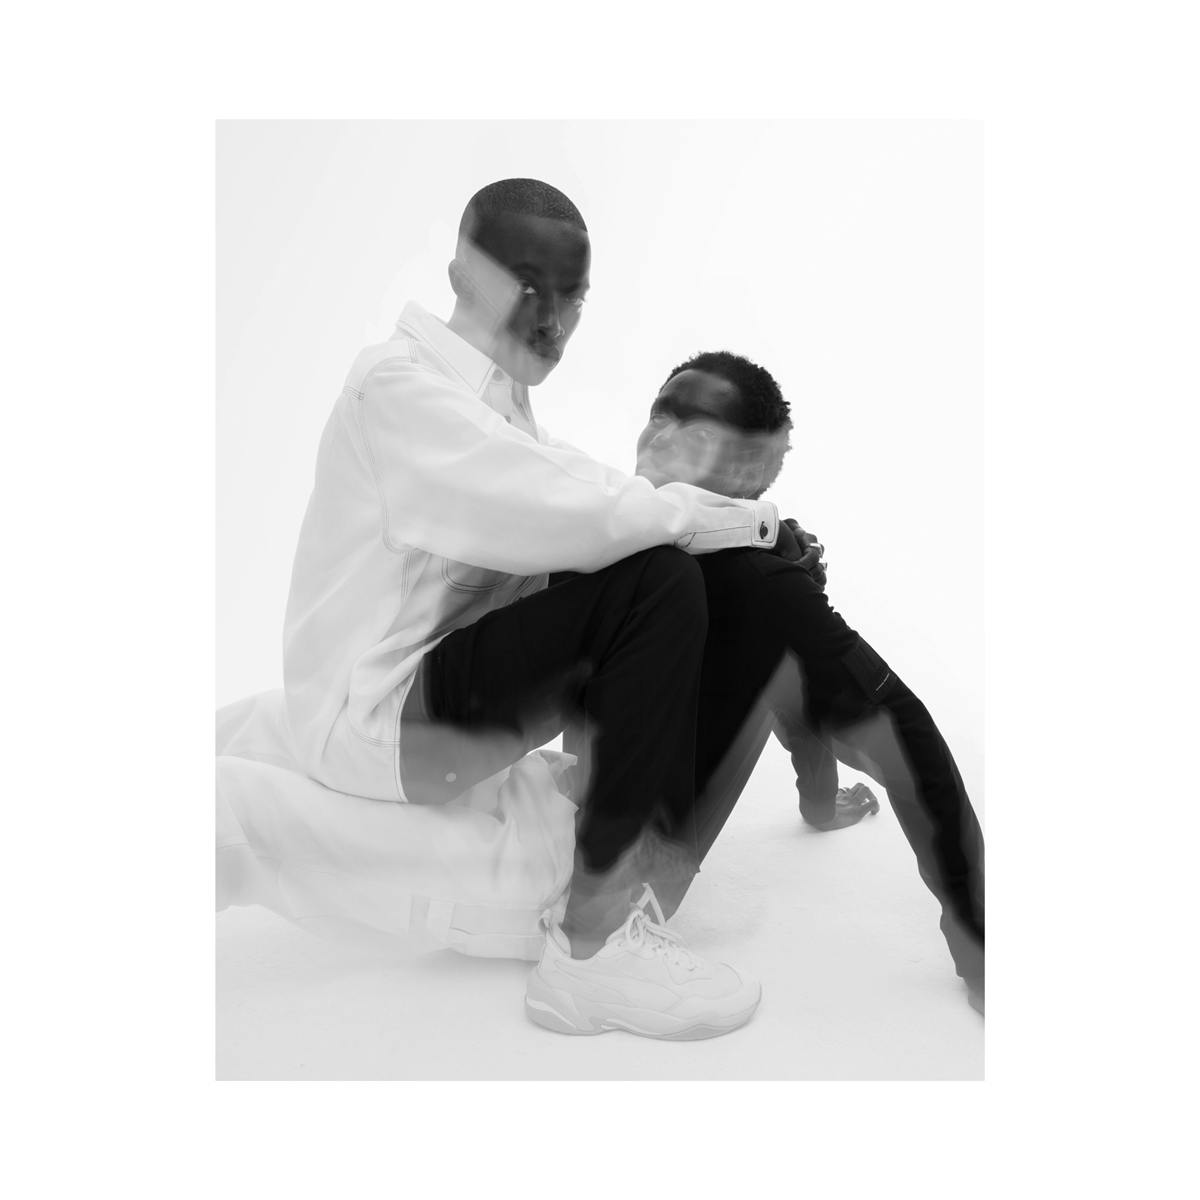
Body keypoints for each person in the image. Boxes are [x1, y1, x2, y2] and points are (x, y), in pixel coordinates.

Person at [283, 179, 806, 1041]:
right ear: (462, 272)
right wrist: (755, 522)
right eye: (530, 285)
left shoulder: (496, 406)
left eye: (573, 296)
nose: (553, 318)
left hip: (416, 703)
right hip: (373, 724)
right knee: (654, 579)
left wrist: (738, 532)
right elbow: (587, 507)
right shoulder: (400, 389)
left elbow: (585, 497)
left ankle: (603, 821)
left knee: (648, 563)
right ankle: (592, 951)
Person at [631, 350, 986, 1013]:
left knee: (783, 645)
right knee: (787, 645)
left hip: (540, 829)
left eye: (690, 425)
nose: (660, 435)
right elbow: (910, 741)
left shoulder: (594, 521)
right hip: (621, 893)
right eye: (661, 415)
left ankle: (819, 802)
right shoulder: (760, 583)